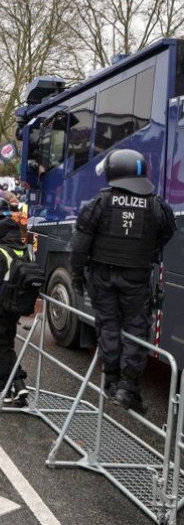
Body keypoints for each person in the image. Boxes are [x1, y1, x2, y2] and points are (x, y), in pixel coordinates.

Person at [71, 149, 174, 413]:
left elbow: (80, 244)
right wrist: (146, 252)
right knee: (136, 330)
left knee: (108, 326)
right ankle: (128, 389)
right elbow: (167, 232)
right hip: (137, 278)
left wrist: (78, 275)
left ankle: (112, 382)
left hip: (102, 276)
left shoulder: (100, 202)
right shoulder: (156, 205)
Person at [0, 218, 33, 404]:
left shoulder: (1, 252)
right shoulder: (26, 251)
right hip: (15, 307)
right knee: (7, 346)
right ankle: (18, 384)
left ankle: (3, 387)